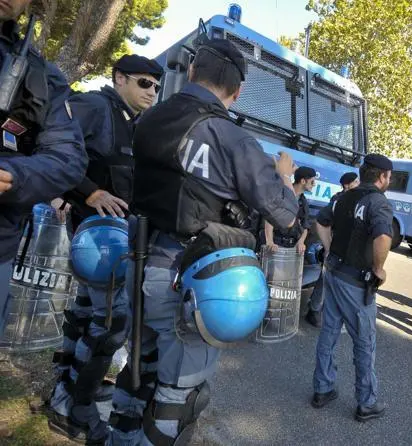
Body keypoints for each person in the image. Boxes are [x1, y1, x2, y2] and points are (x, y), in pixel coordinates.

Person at [106, 38, 299, 445]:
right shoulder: (233, 139)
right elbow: (284, 213)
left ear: (192, 72)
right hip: (186, 285)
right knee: (177, 402)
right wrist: (283, 175)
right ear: (238, 91)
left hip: (137, 265)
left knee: (138, 376)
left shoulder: (150, 118)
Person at [45, 55, 164, 443]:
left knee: (85, 316)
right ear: (119, 79)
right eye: (145, 83)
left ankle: (67, 389)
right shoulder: (96, 106)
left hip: (112, 240)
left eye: (157, 86)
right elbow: (51, 144)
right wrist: (83, 191)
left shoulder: (132, 123)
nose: (153, 92)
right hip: (97, 240)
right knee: (109, 325)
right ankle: (73, 408)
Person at [0, 0, 87, 334]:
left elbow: (68, 158)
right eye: (145, 83)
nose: (151, 90)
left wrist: (15, 177)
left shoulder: (42, 74)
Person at [311, 154, 393, 422]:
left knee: (329, 332)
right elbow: (383, 237)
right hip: (356, 282)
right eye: (389, 176)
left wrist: (328, 248)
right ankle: (366, 403)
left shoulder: (341, 198)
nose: (389, 181)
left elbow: (321, 223)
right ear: (382, 176)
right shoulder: (377, 201)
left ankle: (322, 389)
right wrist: (379, 269)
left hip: (333, 272)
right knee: (364, 342)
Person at [305, 171, 359, 328]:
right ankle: (314, 309)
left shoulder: (357, 199)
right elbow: (324, 222)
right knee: (326, 277)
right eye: (355, 182)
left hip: (348, 247)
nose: (358, 184)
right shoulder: (338, 200)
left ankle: (329, 310)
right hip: (335, 244)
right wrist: (328, 246)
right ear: (346, 185)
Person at [263, 165, 316, 253]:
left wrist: (301, 242)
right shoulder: (282, 194)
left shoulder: (303, 202)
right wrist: (270, 242)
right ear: (303, 181)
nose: (314, 184)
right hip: (274, 245)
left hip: (290, 247)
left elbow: (305, 226)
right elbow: (269, 218)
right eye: (312, 181)